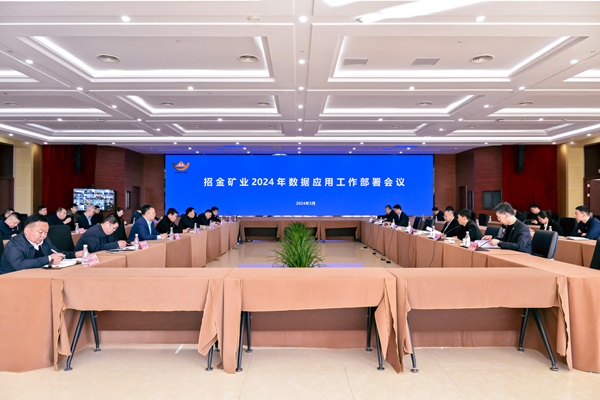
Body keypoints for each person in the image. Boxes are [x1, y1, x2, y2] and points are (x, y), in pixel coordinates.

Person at [0, 214, 83, 275]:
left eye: (46, 232)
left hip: (35, 276)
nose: (44, 235)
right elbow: (19, 265)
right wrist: (48, 259)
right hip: (11, 280)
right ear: (27, 230)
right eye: (40, 232)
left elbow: (56, 252)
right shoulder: (14, 244)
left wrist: (75, 254)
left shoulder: (44, 240)